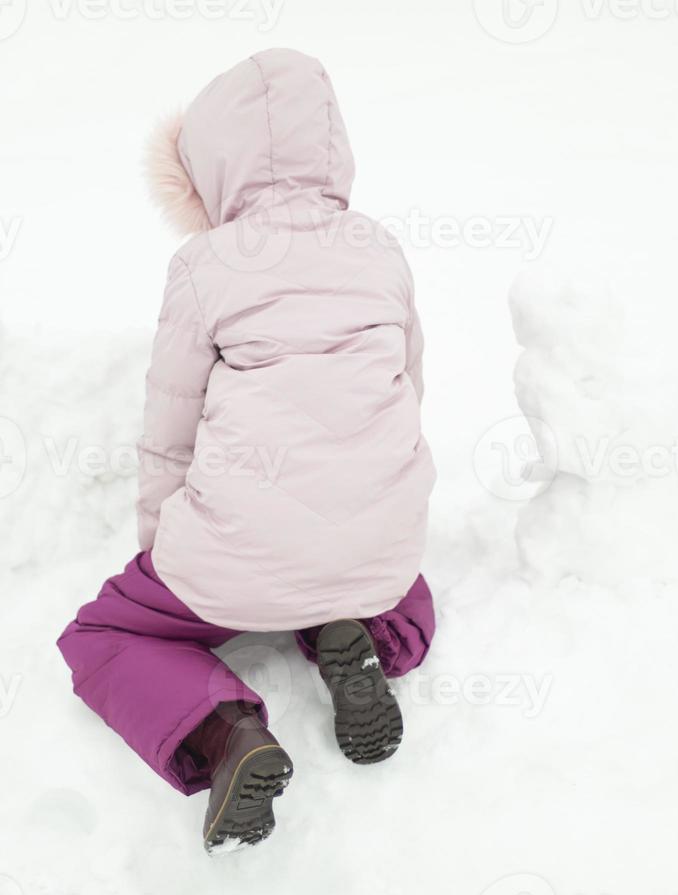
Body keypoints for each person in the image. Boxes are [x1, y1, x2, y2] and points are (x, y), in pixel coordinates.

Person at [56, 48, 435, 852]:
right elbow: (411, 386)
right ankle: (362, 634)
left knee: (102, 638)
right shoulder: (380, 249)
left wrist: (168, 543)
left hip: (236, 551)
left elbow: (172, 422)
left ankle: (227, 736)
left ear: (211, 169)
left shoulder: (202, 265)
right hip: (376, 540)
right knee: (396, 579)